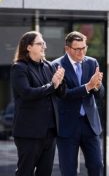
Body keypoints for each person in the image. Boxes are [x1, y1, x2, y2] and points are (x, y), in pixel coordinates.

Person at [10, 31, 65, 176]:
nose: (44, 47)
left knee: (45, 173)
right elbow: (27, 93)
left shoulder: (49, 66)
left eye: (44, 43)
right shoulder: (19, 68)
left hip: (50, 132)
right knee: (25, 172)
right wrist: (52, 85)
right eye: (40, 44)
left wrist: (60, 82)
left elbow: (60, 94)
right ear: (28, 47)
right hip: (29, 132)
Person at [52, 31, 104, 176]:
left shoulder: (92, 63)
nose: (81, 52)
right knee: (69, 170)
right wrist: (88, 86)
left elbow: (100, 94)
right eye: (77, 49)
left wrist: (97, 85)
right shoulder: (57, 66)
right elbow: (64, 95)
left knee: (97, 165)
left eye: (84, 48)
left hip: (90, 124)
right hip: (67, 126)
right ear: (67, 49)